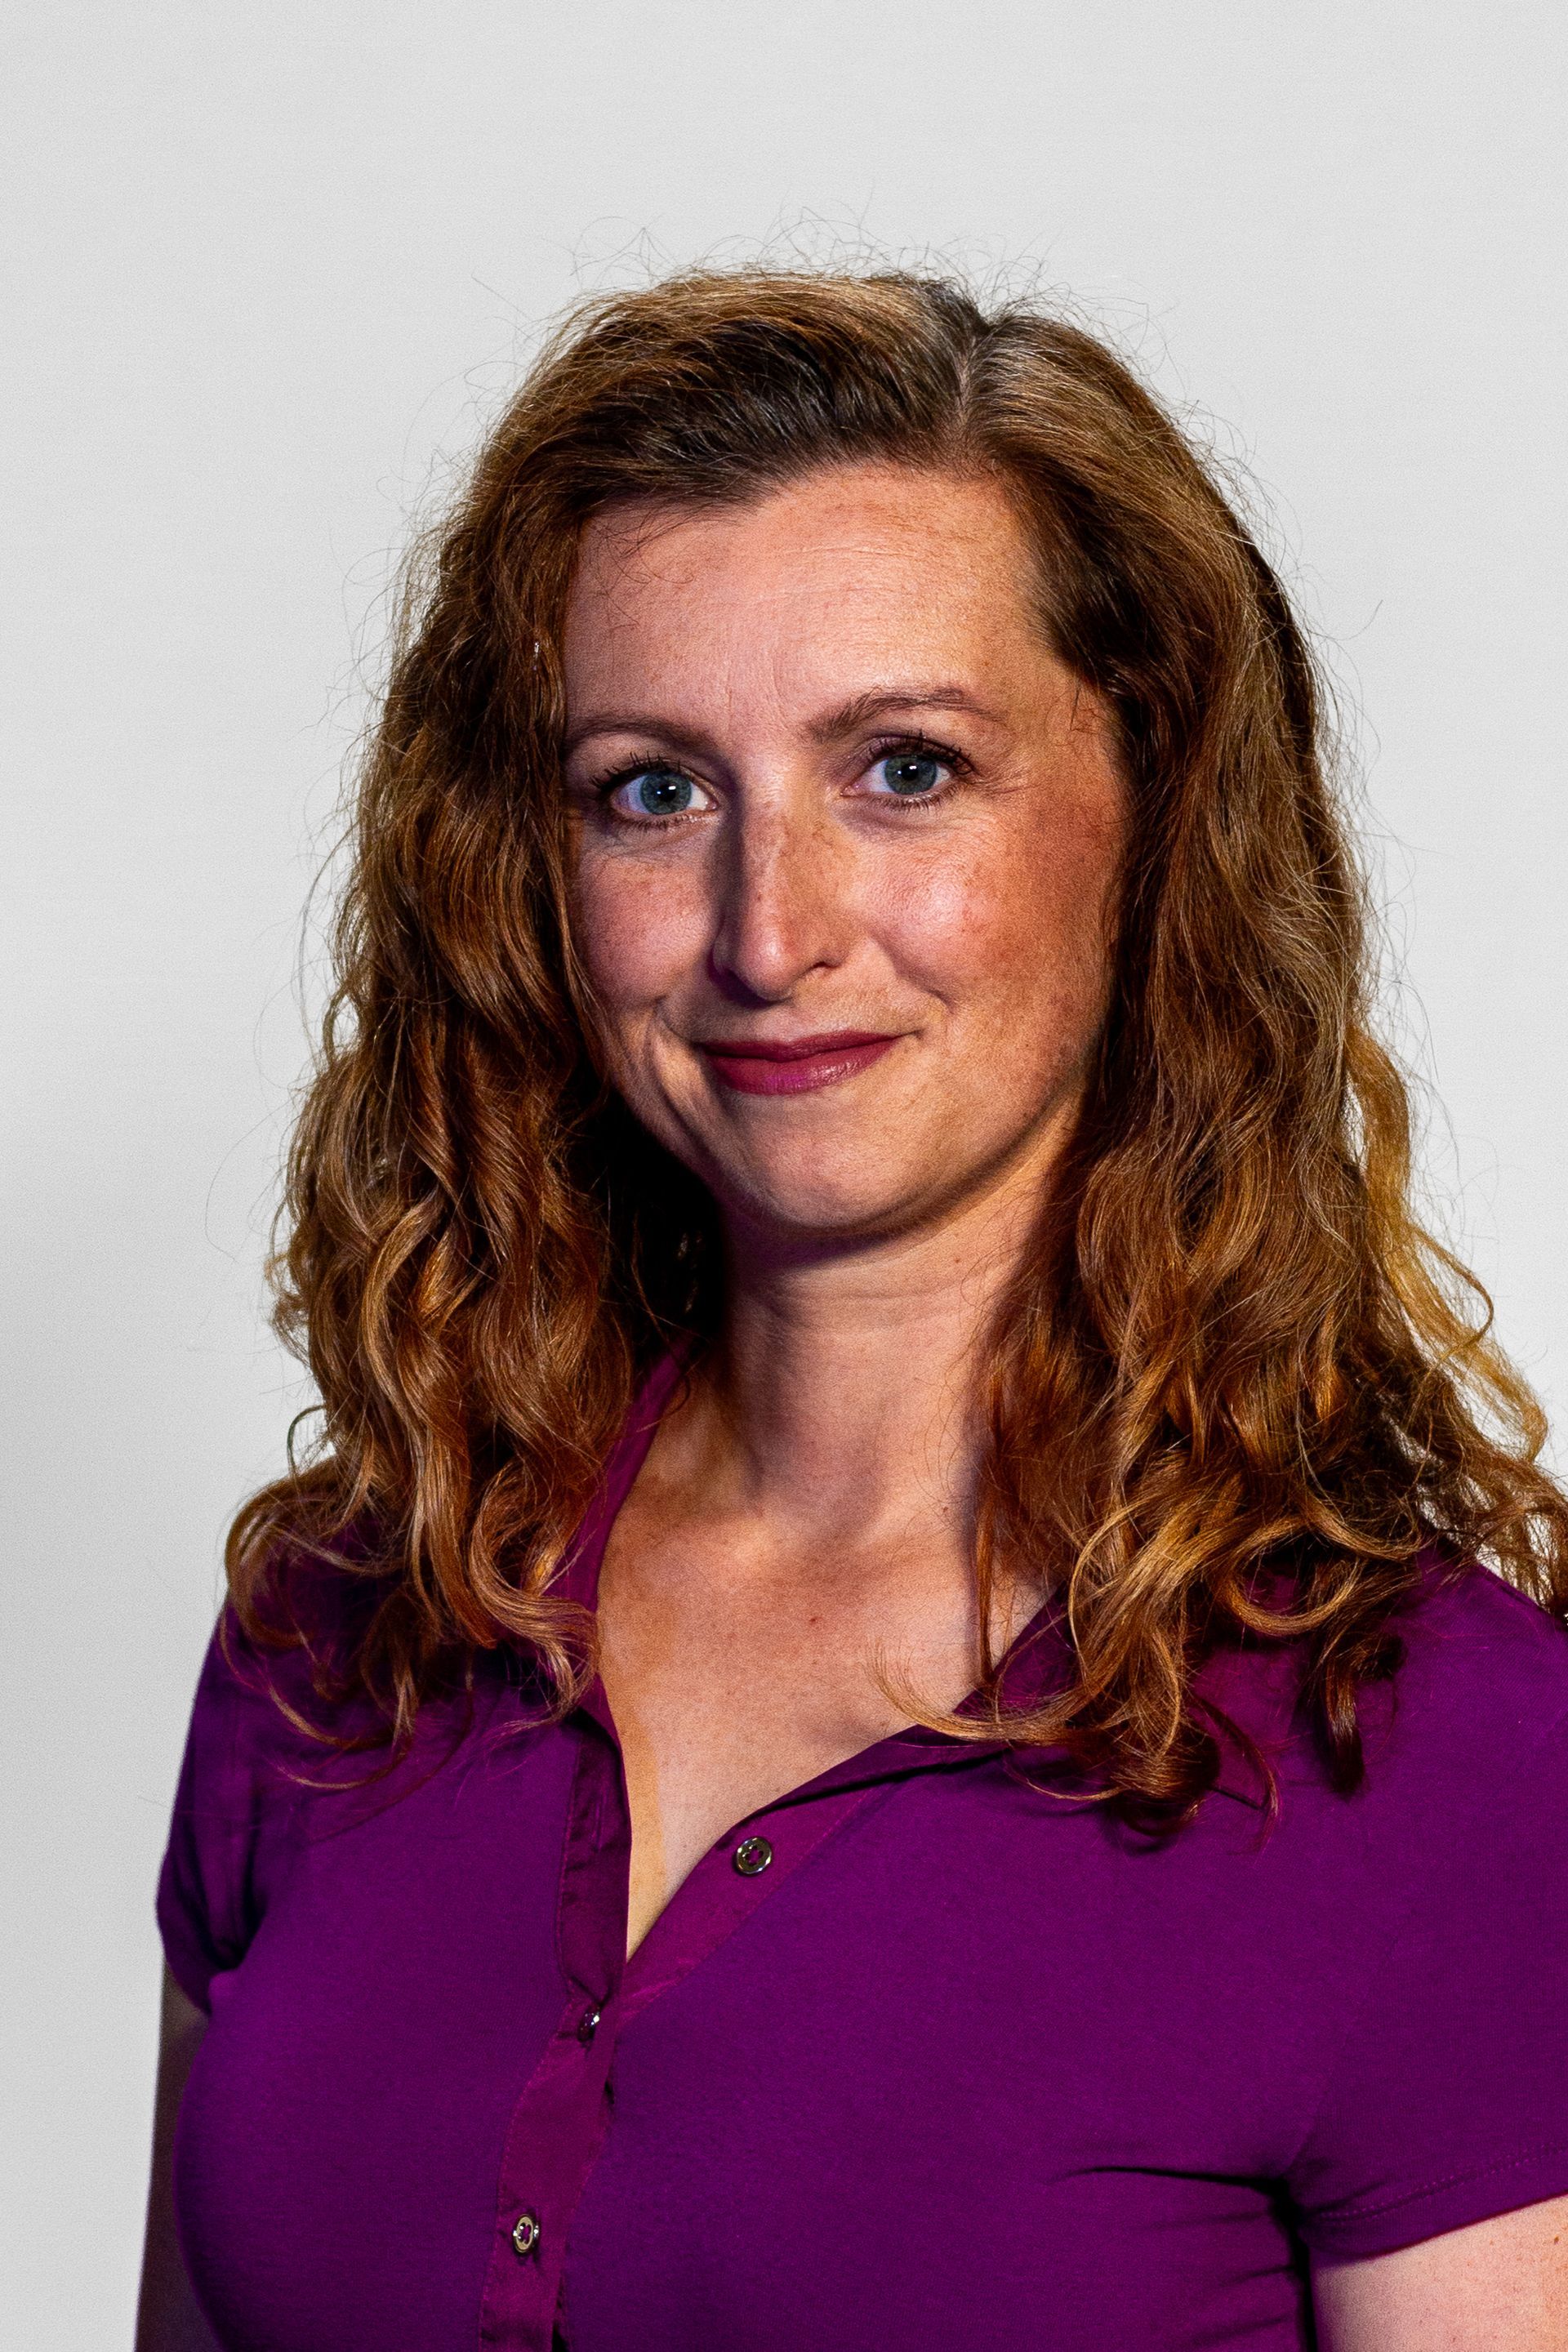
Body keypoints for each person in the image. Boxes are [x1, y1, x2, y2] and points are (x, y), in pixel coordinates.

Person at [136, 269, 1568, 2352]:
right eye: (653, 790)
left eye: (904, 768)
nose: (768, 932)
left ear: (1153, 817)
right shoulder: (344, 1627)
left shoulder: (1444, 1758)